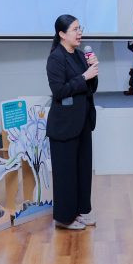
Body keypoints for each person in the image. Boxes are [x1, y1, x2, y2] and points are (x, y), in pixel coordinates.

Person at [46, 15, 99, 230]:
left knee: (82, 170)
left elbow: (90, 87)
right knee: (66, 173)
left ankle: (80, 211)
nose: (80, 33)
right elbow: (59, 91)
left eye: (80, 28)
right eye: (75, 29)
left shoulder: (79, 55)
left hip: (82, 121)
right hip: (64, 125)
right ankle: (64, 218)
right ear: (62, 34)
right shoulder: (56, 58)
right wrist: (85, 76)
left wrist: (92, 72)